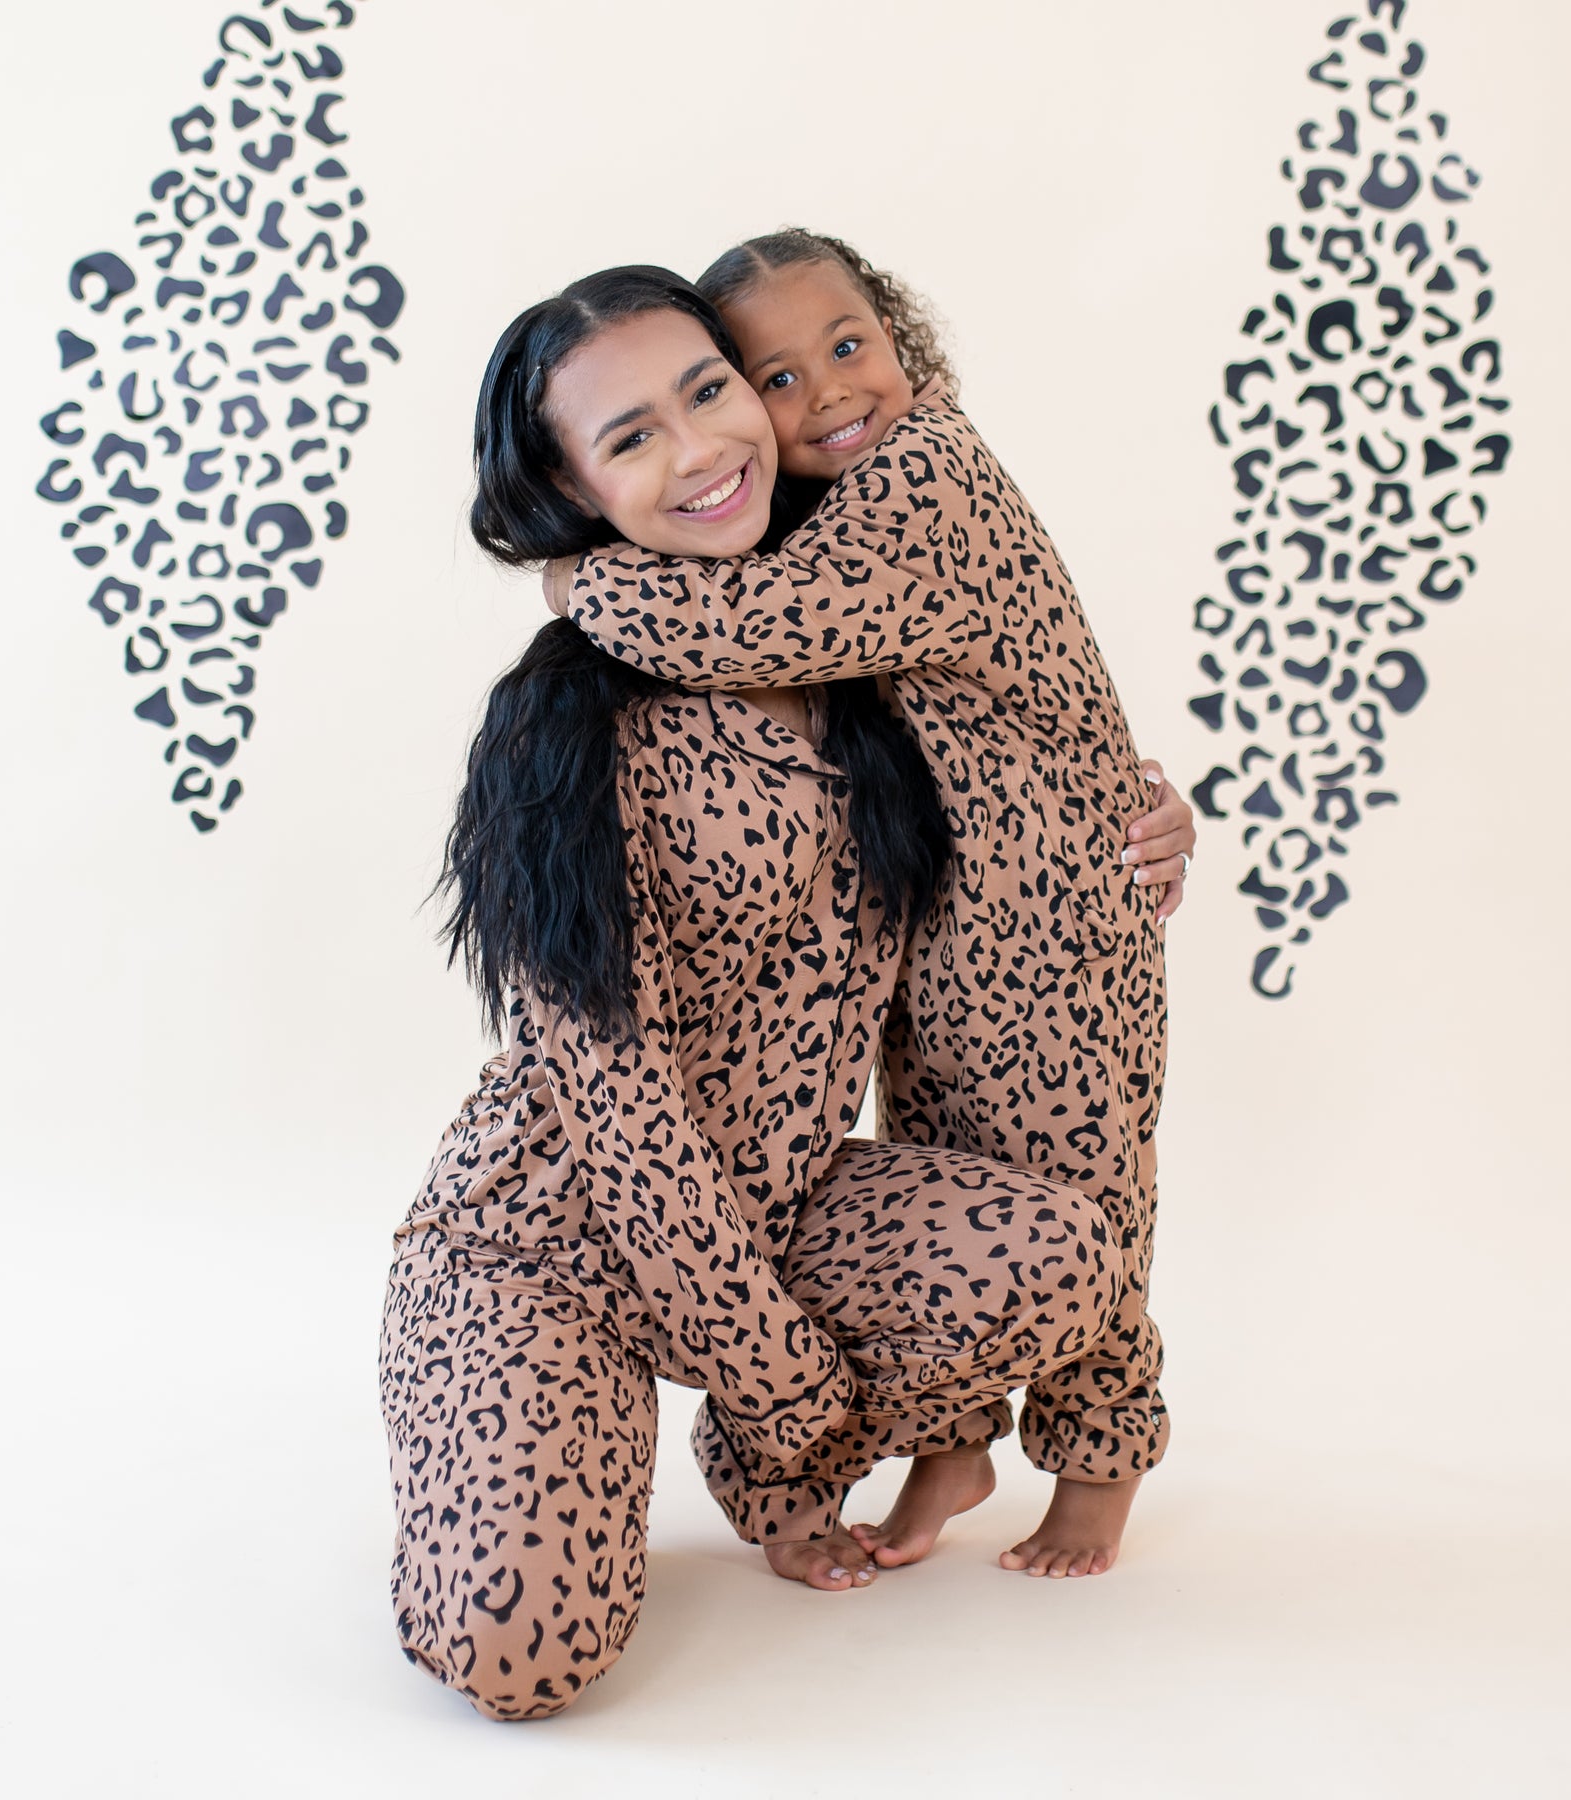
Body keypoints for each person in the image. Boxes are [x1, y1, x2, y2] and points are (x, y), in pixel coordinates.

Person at [382, 266, 1187, 1721]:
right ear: (570, 489)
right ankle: (551, 1428)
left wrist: (1140, 812)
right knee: (520, 1661)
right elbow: (616, 1108)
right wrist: (791, 1401)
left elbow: (1025, 750)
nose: (701, 449)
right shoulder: (567, 722)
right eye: (629, 438)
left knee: (1064, 1252)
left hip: (783, 1207)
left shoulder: (859, 650)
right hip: (554, 1242)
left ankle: (742, 1466)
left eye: (710, 391)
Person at [547, 229, 1196, 1579]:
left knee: (1084, 1192)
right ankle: (952, 1450)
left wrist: (578, 577)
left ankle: (1100, 1468)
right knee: (956, 1160)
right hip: (955, 941)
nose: (831, 391)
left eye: (851, 346)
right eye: (777, 376)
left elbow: (745, 630)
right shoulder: (838, 510)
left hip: (1062, 938)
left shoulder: (928, 480)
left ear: (905, 341)